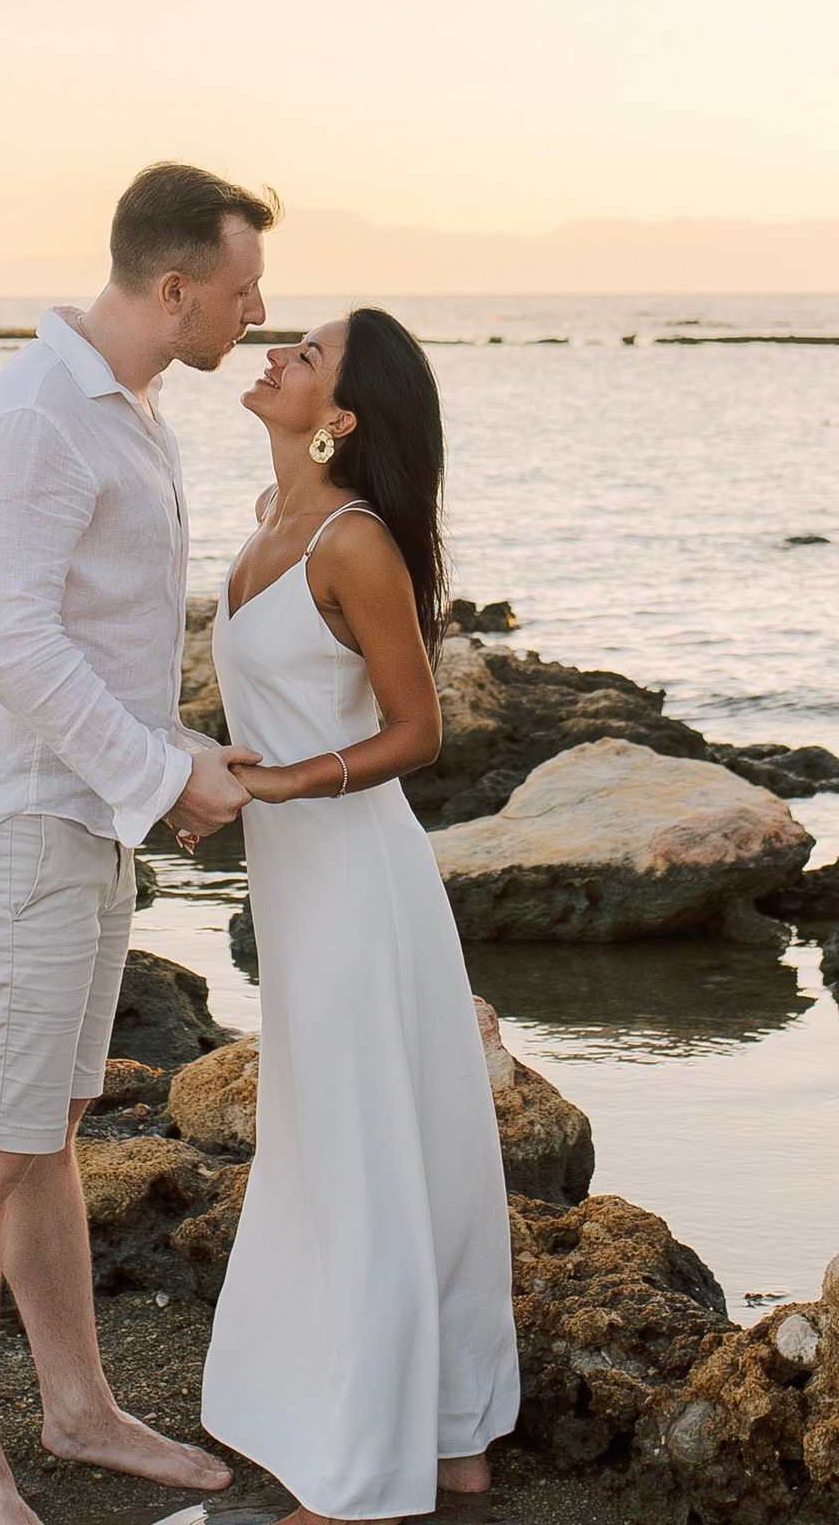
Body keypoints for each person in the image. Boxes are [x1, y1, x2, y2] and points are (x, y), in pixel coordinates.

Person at [0, 162, 277, 1525]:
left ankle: (79, 1409)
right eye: (241, 293)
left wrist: (175, 758)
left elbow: (103, 643)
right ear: (173, 287)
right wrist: (163, 773)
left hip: (79, 822)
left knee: (46, 1129)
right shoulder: (38, 416)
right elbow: (9, 642)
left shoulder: (130, 410)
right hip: (17, 828)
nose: (256, 314)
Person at [198, 307, 520, 1525]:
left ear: (337, 419)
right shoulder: (265, 527)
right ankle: (453, 1436)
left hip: (356, 880)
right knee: (397, 1146)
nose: (273, 353)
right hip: (294, 880)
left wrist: (277, 780)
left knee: (360, 1154)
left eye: (307, 354)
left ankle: (367, 1476)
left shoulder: (352, 540)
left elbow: (417, 728)